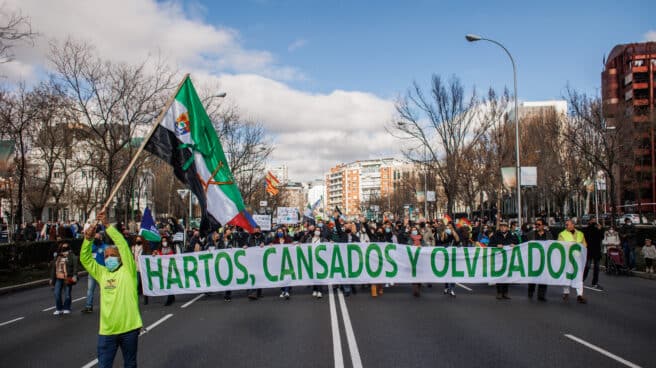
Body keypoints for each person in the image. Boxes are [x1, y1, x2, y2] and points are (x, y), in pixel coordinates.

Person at [80, 212, 142, 368]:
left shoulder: (128, 271)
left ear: (120, 258)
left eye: (112, 255)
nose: (108, 258)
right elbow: (85, 259)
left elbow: (122, 244)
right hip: (108, 331)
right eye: (106, 256)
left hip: (130, 328)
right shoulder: (102, 273)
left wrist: (107, 225)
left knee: (130, 364)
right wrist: (88, 239)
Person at [558, 219, 588, 304]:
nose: (566, 226)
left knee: (579, 276)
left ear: (573, 225)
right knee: (567, 275)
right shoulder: (562, 234)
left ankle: (580, 295)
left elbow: (585, 244)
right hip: (567, 258)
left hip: (578, 258)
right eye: (566, 224)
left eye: (568, 224)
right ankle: (566, 292)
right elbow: (560, 245)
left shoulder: (580, 234)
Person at [489, 222, 519, 300]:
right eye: (501, 226)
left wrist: (515, 245)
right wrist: (496, 245)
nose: (503, 228)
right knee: (499, 275)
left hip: (509, 258)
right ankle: (499, 292)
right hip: (498, 258)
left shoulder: (512, 236)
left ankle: (505, 293)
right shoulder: (495, 236)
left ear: (507, 228)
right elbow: (489, 245)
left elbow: (519, 244)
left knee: (506, 275)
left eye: (504, 226)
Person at [525, 219, 552, 301]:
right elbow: (524, 244)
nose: (537, 226)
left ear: (543, 226)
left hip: (544, 258)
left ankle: (541, 295)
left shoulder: (549, 235)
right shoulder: (530, 234)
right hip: (533, 259)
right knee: (533, 276)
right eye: (536, 224)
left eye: (539, 224)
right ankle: (531, 291)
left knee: (543, 277)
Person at [50, 242, 78, 315]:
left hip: (67, 278)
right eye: (63, 248)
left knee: (67, 294)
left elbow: (75, 267)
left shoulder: (72, 256)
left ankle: (66, 308)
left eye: (66, 248)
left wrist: (74, 275)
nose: (65, 250)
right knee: (57, 293)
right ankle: (59, 308)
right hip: (58, 278)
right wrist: (51, 278)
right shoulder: (57, 257)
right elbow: (54, 268)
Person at [82, 233, 107, 313]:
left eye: (97, 237)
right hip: (92, 272)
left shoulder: (105, 247)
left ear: (101, 238)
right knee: (90, 290)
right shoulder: (91, 246)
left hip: (102, 272)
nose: (95, 239)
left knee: (104, 290)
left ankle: (106, 306)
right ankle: (88, 306)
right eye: (94, 237)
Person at [151, 236, 176, 306]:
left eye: (165, 241)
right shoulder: (159, 249)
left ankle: (170, 298)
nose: (164, 242)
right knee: (166, 283)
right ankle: (171, 296)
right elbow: (155, 254)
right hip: (163, 269)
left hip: (170, 268)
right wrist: (154, 254)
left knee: (169, 282)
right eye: (162, 241)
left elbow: (172, 256)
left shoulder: (171, 248)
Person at [582, 218, 604, 290]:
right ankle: (581, 280)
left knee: (596, 268)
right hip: (590, 250)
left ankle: (595, 282)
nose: (594, 221)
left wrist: (600, 229)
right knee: (587, 266)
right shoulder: (587, 229)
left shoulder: (597, 229)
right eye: (592, 220)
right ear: (589, 221)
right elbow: (585, 238)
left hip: (597, 250)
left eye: (595, 220)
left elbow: (602, 237)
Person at [245, 227, 266, 300]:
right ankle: (253, 292)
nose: (256, 232)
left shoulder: (264, 237)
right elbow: (246, 244)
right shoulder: (250, 238)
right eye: (255, 230)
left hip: (260, 260)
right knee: (253, 275)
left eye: (257, 230)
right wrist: (245, 246)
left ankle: (258, 293)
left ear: (260, 231)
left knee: (259, 276)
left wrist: (264, 243)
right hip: (252, 260)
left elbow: (270, 243)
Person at [440, 222, 460, 297]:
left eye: (450, 227)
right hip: (446, 255)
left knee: (453, 273)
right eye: (448, 227)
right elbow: (442, 240)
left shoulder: (455, 233)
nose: (449, 228)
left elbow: (458, 240)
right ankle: (446, 287)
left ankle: (451, 289)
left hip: (453, 256)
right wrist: (444, 232)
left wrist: (453, 231)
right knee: (446, 271)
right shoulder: (445, 233)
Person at [131, 235, 150, 305]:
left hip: (143, 268)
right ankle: (135, 299)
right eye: (137, 240)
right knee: (136, 284)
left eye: (139, 239)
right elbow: (132, 257)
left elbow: (148, 255)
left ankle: (146, 299)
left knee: (144, 284)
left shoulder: (145, 247)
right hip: (136, 268)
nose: (138, 241)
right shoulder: (133, 247)